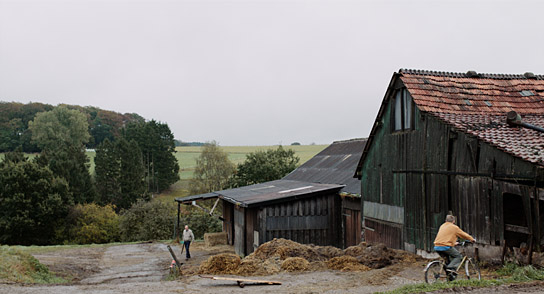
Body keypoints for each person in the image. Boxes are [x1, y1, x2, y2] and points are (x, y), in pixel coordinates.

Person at [433, 215, 475, 280]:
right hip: (445, 247)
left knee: (447, 261)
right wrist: (472, 239)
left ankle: (450, 278)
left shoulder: (442, 226)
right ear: (454, 221)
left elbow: (445, 237)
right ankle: (450, 268)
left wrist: (453, 243)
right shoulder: (454, 227)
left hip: (437, 246)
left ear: (445, 221)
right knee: (458, 256)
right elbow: (463, 234)